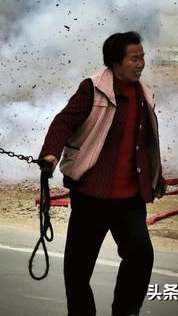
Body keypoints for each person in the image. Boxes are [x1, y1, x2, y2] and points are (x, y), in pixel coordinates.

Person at [39, 31, 166, 316]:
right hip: (92, 194)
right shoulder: (93, 89)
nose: (141, 63)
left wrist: (157, 175)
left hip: (130, 198)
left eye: (142, 57)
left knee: (140, 255)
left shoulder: (144, 93)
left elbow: (147, 141)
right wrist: (50, 154)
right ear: (115, 62)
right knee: (78, 269)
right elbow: (64, 122)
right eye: (134, 58)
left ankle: (126, 310)